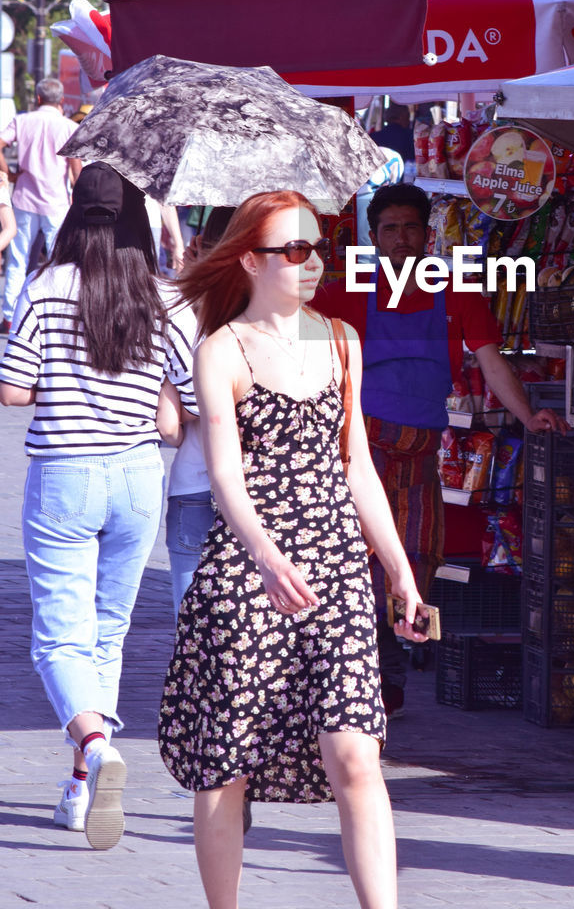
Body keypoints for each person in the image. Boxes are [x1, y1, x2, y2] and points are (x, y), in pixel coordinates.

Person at [158, 189, 427, 909]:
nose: (312, 265)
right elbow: (223, 475)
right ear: (251, 259)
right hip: (247, 574)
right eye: (296, 251)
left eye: (319, 249)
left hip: (337, 569)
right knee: (227, 766)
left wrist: (399, 572)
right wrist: (270, 558)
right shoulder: (223, 348)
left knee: (356, 755)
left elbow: (357, 466)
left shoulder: (342, 340)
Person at [0, 162, 197, 850]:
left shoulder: (47, 287)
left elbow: (14, 391)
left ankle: (96, 747)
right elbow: (195, 401)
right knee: (107, 633)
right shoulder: (167, 297)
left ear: (73, 216)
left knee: (59, 636)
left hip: (63, 476)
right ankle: (79, 787)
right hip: (139, 476)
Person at [313, 181, 566, 717]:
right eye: (389, 229)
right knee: (356, 559)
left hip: (425, 449)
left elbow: (493, 362)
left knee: (418, 555)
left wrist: (529, 415)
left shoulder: (457, 291)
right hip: (359, 448)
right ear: (373, 237)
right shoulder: (342, 293)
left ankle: (389, 655)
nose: (400, 238)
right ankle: (374, 671)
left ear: (426, 234)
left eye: (409, 227)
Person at [164, 206, 235, 619]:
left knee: (192, 627)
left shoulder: (180, 314)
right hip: (261, 491)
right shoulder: (273, 321)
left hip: (193, 483)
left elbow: (169, 428)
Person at [0, 77, 81, 330]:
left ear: (37, 98)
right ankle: (57, 311)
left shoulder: (22, 121)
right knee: (59, 259)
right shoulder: (68, 127)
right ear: (61, 101)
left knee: (18, 259)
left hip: (24, 198)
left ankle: (9, 315)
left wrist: (9, 173)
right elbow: (76, 169)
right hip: (56, 201)